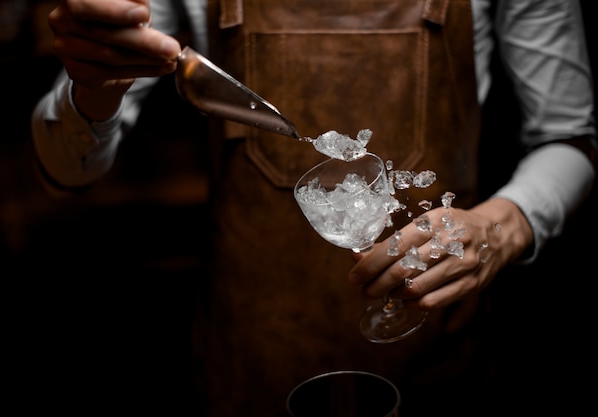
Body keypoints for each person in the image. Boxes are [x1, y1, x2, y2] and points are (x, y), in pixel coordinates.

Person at [31, 0, 596, 416]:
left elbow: (570, 139)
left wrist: (500, 227)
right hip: (247, 367)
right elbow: (66, 172)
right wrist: (97, 87)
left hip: (441, 367)